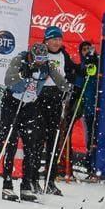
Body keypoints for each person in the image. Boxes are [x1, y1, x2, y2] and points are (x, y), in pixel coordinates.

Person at [0, 43, 69, 202]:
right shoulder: (20, 60)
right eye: (38, 59)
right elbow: (8, 80)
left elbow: (61, 81)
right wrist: (23, 74)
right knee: (11, 143)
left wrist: (67, 88)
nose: (40, 62)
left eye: (44, 59)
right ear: (31, 55)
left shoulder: (47, 65)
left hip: (30, 105)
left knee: (31, 145)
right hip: (12, 104)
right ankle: (7, 185)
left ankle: (26, 185)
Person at [38, 25, 77, 196]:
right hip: (40, 97)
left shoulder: (63, 55)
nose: (56, 42)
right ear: (46, 40)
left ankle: (50, 180)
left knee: (54, 140)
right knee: (37, 140)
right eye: (53, 39)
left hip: (56, 98)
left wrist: (88, 65)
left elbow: (72, 71)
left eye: (59, 39)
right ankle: (31, 179)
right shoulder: (40, 52)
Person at [70, 41, 100, 181]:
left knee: (94, 135)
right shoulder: (81, 65)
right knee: (89, 134)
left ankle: (93, 163)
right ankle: (88, 162)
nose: (87, 51)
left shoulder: (97, 62)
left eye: (88, 48)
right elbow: (78, 83)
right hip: (86, 104)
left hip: (96, 104)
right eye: (84, 49)